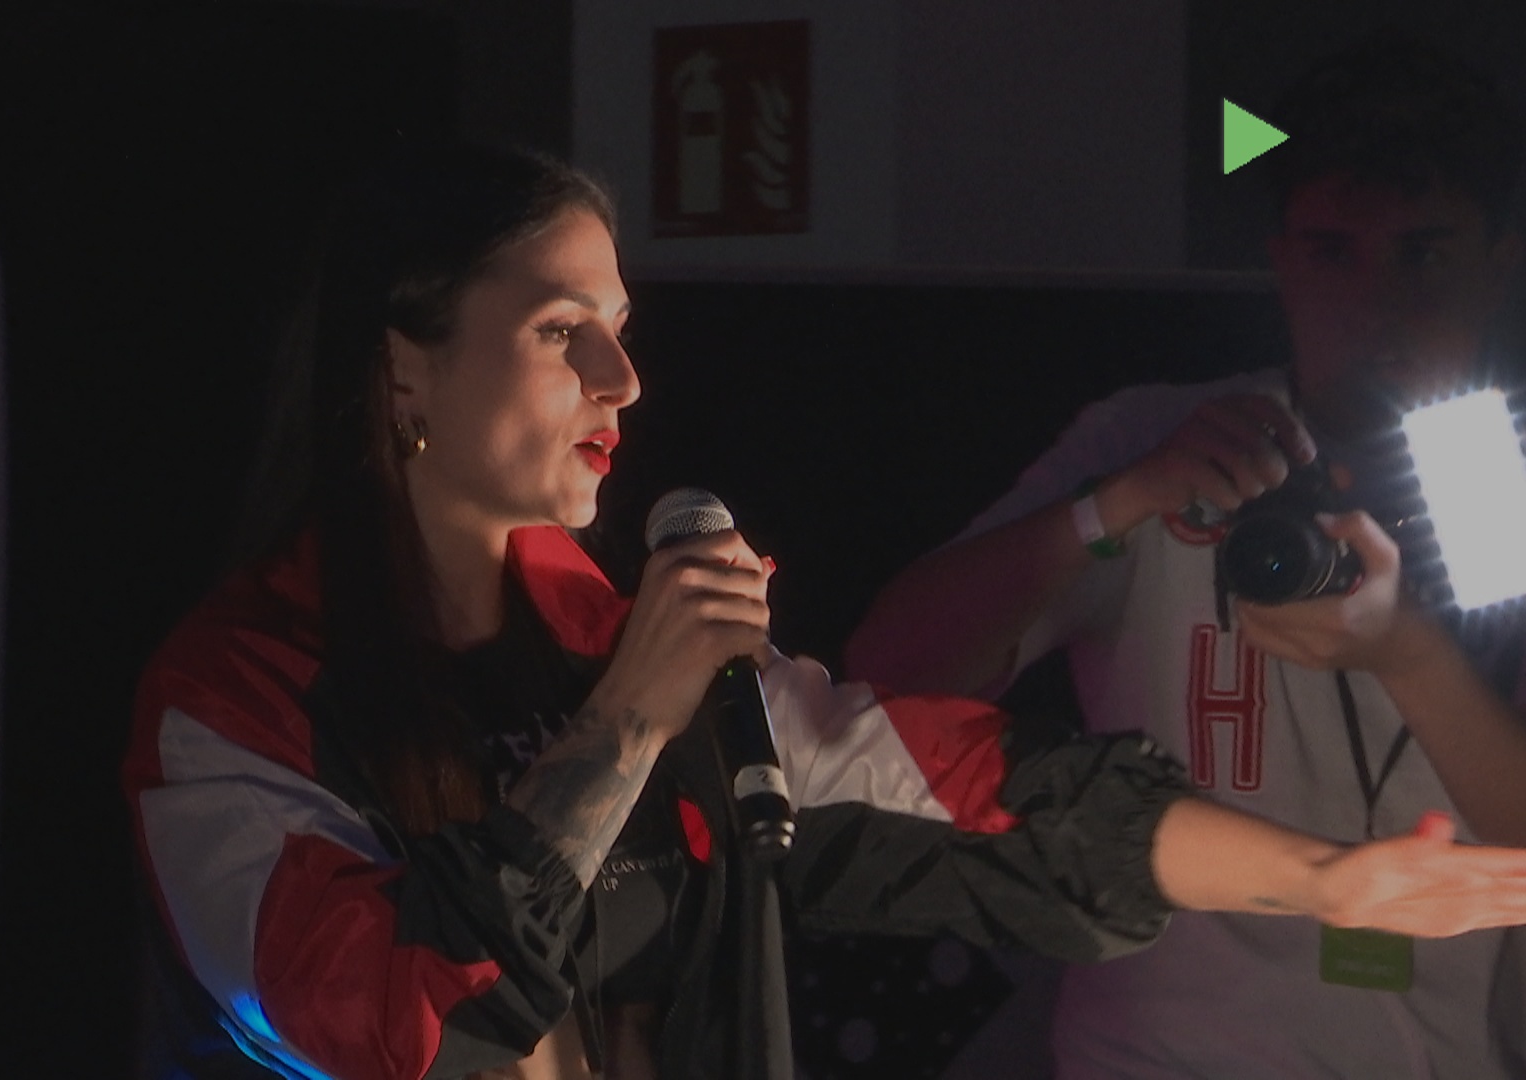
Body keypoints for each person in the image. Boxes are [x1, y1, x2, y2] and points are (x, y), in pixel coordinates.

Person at [123, 142, 1526, 1080]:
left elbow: (977, 795)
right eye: (562, 331)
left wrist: (1327, 880)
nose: (623, 379)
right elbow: (379, 1017)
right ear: (403, 372)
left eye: (622, 329)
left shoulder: (612, 639)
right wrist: (627, 720)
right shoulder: (236, 697)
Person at [846, 34, 1526, 1080]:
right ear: (1282, 258)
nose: (1376, 302)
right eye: (1333, 251)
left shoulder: (1501, 475)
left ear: (1502, 256)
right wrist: (1113, 505)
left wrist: (1406, 651)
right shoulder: (1162, 439)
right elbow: (887, 669)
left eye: (1423, 253)